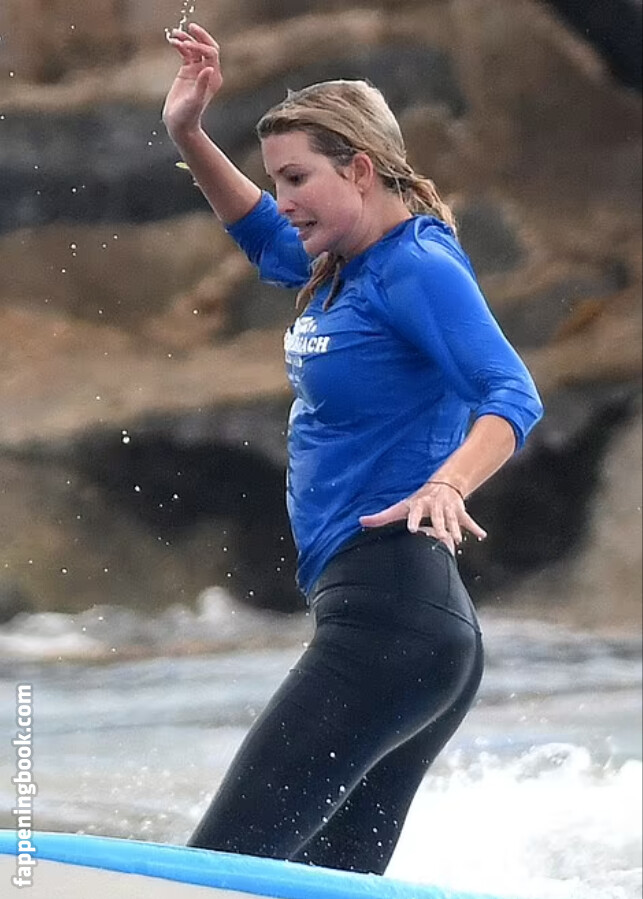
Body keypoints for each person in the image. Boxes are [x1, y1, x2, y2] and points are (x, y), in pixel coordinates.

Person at [163, 23, 543, 876]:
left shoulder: (416, 268)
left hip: (390, 621)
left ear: (360, 169)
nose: (284, 198)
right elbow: (261, 233)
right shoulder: (342, 263)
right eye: (277, 180)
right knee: (314, 888)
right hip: (408, 628)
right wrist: (188, 132)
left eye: (297, 178)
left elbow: (511, 393)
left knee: (214, 874)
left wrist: (449, 483)